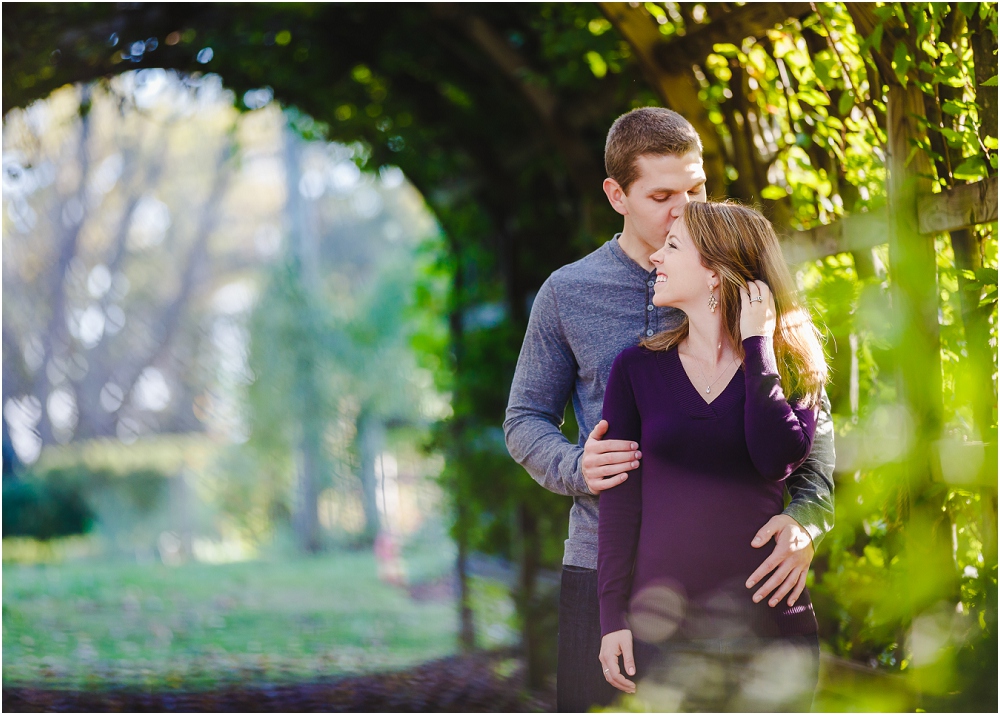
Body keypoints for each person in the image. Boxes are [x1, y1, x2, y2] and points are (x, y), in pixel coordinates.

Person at [503, 107, 835, 712]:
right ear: (616, 195)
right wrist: (580, 466)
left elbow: (809, 413)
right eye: (661, 195)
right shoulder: (567, 294)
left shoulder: (749, 279)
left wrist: (810, 519)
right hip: (604, 568)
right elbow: (524, 419)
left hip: (743, 575)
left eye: (697, 188)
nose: (684, 208)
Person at [598, 200, 826, 711]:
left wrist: (757, 345)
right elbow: (620, 502)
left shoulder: (792, 365)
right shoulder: (635, 370)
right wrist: (611, 617)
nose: (656, 256)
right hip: (663, 634)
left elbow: (776, 458)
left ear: (716, 276)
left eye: (673, 247)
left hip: (771, 634)